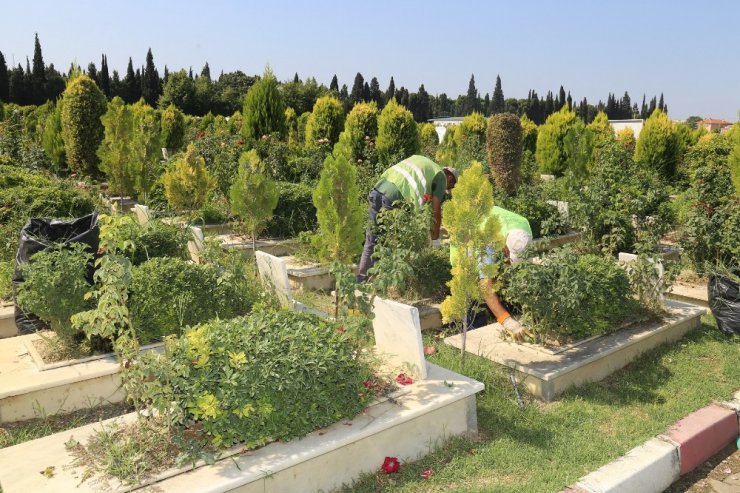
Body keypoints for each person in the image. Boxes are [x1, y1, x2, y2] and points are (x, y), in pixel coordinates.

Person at [357, 155, 458, 282]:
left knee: (372, 238)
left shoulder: (423, 161)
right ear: (449, 178)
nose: (446, 190)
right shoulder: (441, 176)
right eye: (449, 187)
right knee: (394, 241)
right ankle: (390, 282)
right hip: (396, 197)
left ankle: (361, 282)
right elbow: (436, 210)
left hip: (378, 189)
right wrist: (435, 239)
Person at [452, 206, 533, 341]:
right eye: (508, 256)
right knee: (471, 293)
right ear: (506, 248)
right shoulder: (485, 244)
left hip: (484, 227)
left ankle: (500, 311)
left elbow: (518, 263)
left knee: (501, 276)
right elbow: (486, 287)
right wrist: (507, 321)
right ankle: (474, 336)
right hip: (466, 244)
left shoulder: (523, 226)